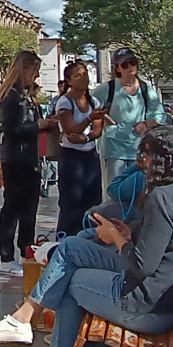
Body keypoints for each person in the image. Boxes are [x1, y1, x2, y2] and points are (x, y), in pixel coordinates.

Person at [0, 126, 173, 347]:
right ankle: (24, 320)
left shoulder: (164, 197)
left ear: (163, 161)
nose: (142, 163)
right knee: (70, 248)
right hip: (171, 300)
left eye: (146, 156)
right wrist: (127, 234)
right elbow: (170, 246)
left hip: (148, 307)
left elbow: (143, 266)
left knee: (68, 279)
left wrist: (115, 236)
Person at [0, 51, 59, 277]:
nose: (36, 76)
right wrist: (38, 125)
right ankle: (6, 258)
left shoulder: (26, 95)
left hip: (30, 158)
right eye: (34, 70)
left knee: (30, 208)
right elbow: (10, 129)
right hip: (15, 159)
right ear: (23, 69)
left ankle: (26, 251)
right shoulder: (10, 96)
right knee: (13, 208)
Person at [91, 48, 168, 197]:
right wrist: (105, 120)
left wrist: (146, 124)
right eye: (124, 64)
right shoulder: (107, 88)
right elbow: (90, 108)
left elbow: (160, 115)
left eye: (132, 62)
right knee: (113, 192)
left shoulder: (146, 89)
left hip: (139, 149)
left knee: (139, 193)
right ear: (118, 68)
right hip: (113, 149)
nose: (130, 66)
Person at [53, 61, 104, 238]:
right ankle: (65, 238)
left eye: (85, 75)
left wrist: (87, 137)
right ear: (69, 80)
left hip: (90, 154)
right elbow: (70, 130)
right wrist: (89, 118)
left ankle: (88, 237)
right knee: (71, 201)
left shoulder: (93, 101)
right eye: (78, 75)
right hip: (71, 156)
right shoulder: (64, 102)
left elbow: (98, 129)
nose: (83, 79)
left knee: (93, 199)